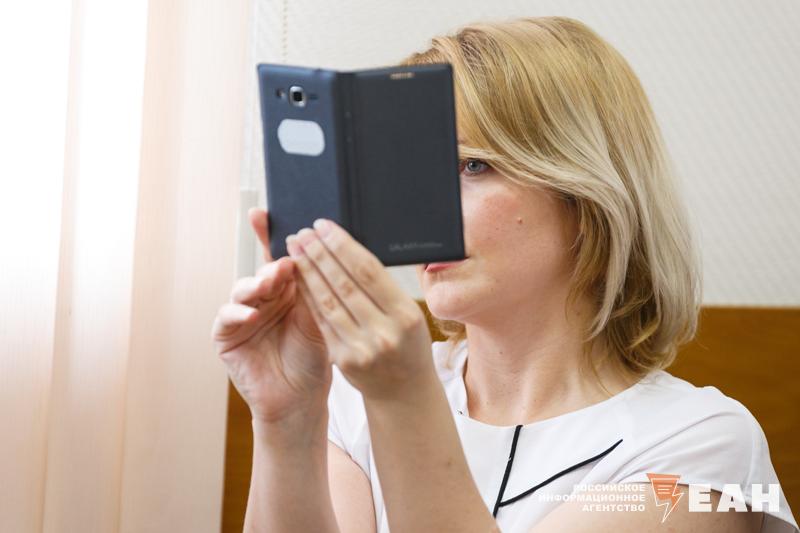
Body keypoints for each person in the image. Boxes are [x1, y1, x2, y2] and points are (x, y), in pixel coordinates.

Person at [212, 16, 798, 533]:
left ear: (587, 196)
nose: (421, 207)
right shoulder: (350, 401)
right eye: (413, 173)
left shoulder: (701, 446)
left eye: (472, 165)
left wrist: (404, 396)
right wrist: (287, 418)